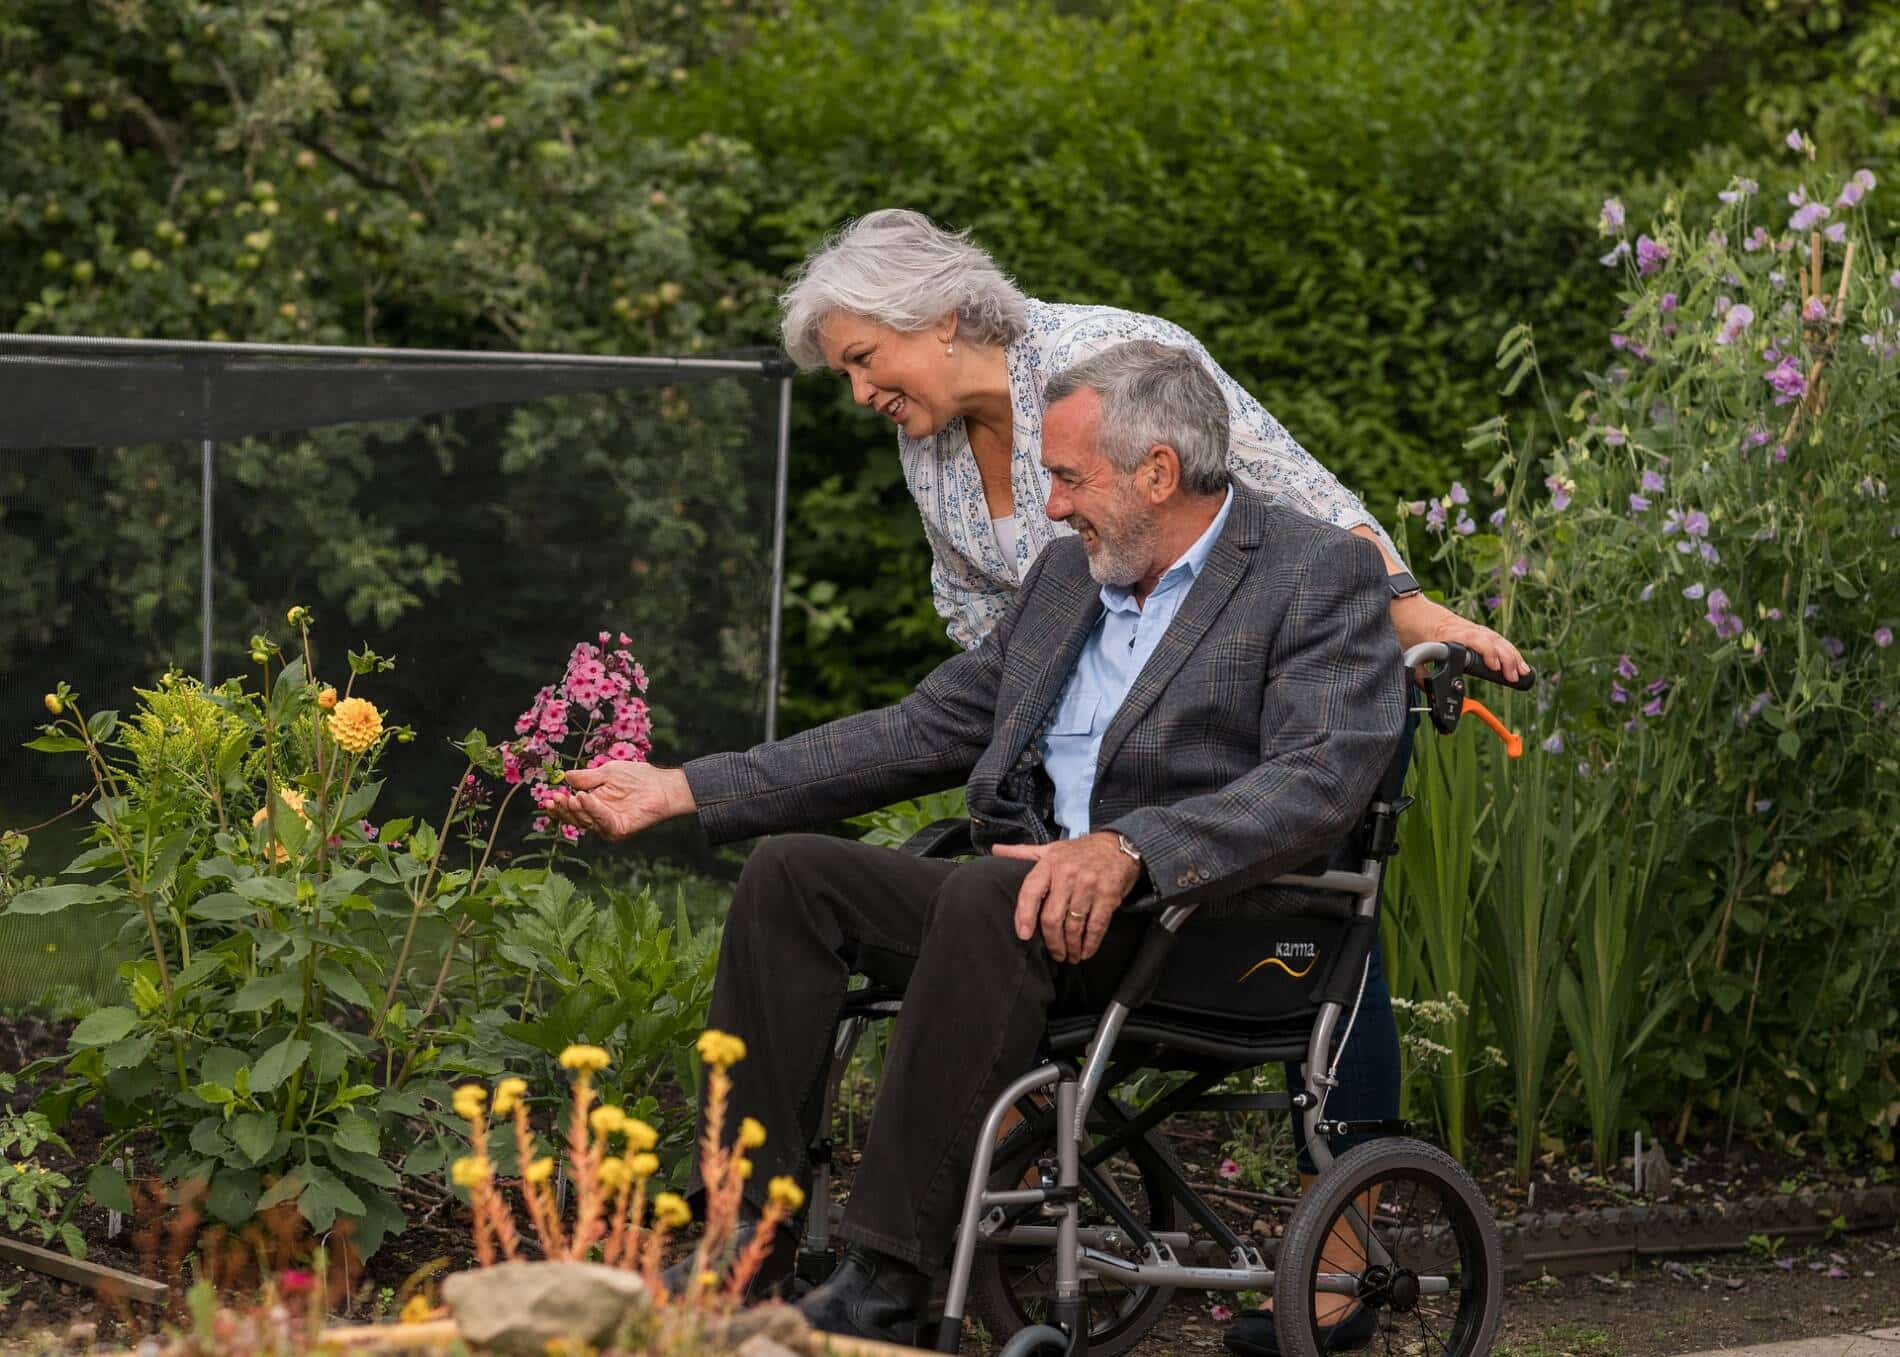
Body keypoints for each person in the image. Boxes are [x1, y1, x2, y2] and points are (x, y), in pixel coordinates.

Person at [547, 341, 1406, 1353]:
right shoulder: (1067, 578)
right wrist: (682, 788)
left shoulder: (1313, 574)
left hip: (1205, 923)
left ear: (1158, 473)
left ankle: (886, 1278)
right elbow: (917, 731)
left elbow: (1320, 775)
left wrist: (1130, 846)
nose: (1049, 506)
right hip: (1032, 913)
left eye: (1069, 477)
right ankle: (747, 1235)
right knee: (794, 879)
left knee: (983, 898)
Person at [781, 208, 1481, 1355]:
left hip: (1187, 802)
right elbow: (961, 657)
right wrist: (689, 788)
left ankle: (899, 1278)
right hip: (1056, 783)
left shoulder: (1126, 378)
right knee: (826, 884)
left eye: (864, 359)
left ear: (941, 317)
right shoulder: (953, 462)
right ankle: (780, 1244)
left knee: (1065, 886)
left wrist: (1412, 615)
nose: (859, 390)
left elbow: (1303, 513)